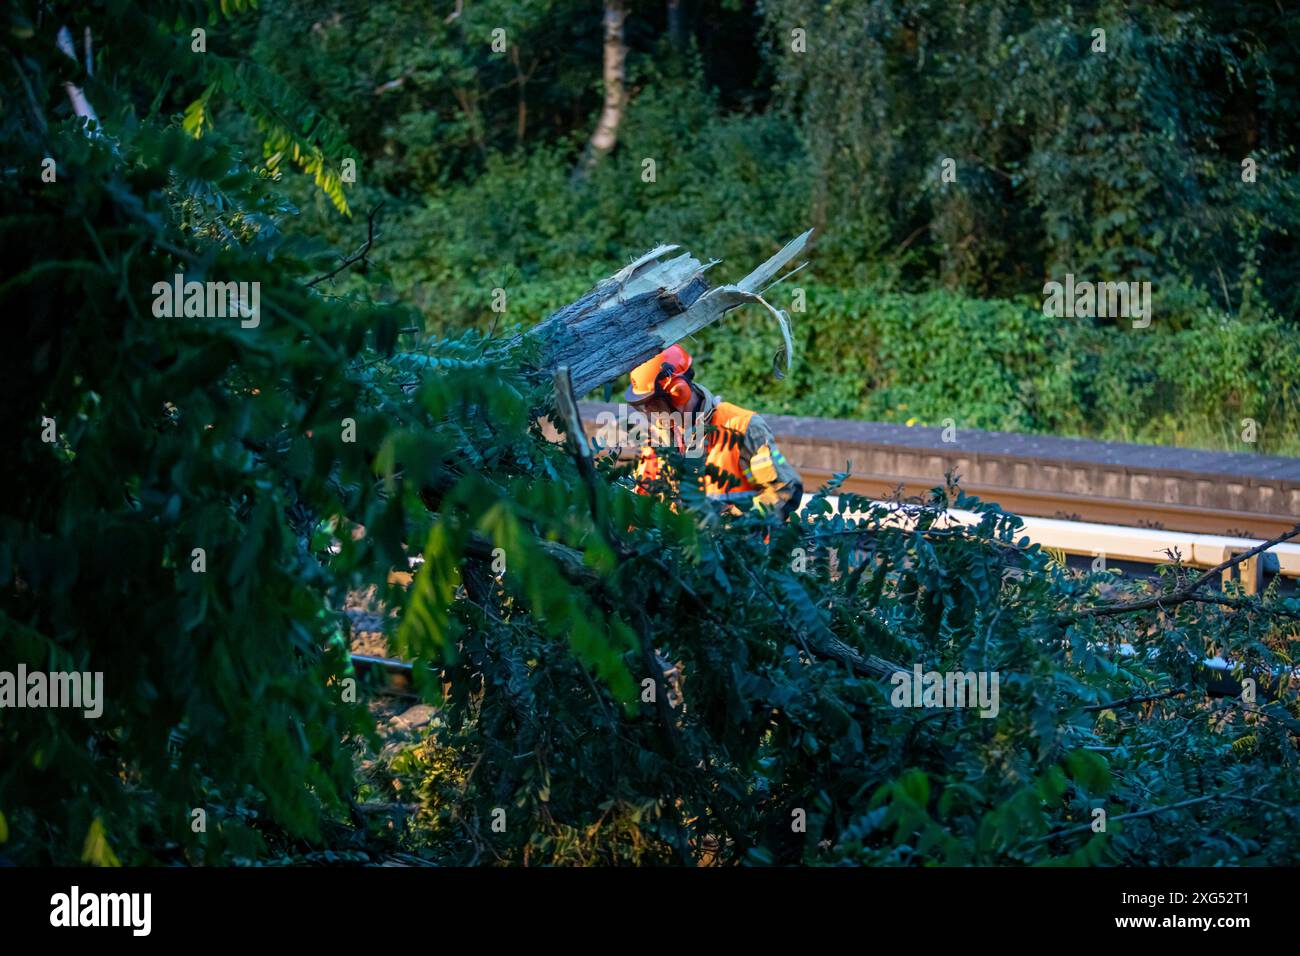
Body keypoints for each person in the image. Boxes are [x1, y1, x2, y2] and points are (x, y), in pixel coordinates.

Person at [624, 344, 803, 518]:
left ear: (678, 392)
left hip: (736, 545)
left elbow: (786, 489)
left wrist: (732, 524)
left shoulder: (742, 427)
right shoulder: (657, 437)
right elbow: (644, 500)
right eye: (643, 405)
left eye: (652, 403)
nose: (647, 411)